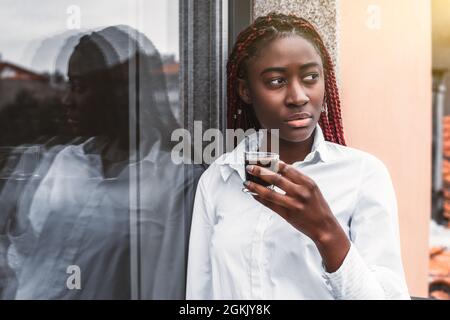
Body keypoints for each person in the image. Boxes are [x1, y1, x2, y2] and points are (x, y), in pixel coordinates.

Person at [186, 13, 410, 300]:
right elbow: (200, 295)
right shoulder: (220, 177)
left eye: (310, 78)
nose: (298, 96)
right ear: (246, 91)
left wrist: (325, 230)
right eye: (277, 81)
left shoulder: (364, 175)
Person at [0, 25, 203, 299]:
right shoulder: (57, 163)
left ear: (121, 93)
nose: (66, 100)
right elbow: (20, 255)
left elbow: (171, 284)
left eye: (79, 87)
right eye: (68, 85)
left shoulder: (176, 181)